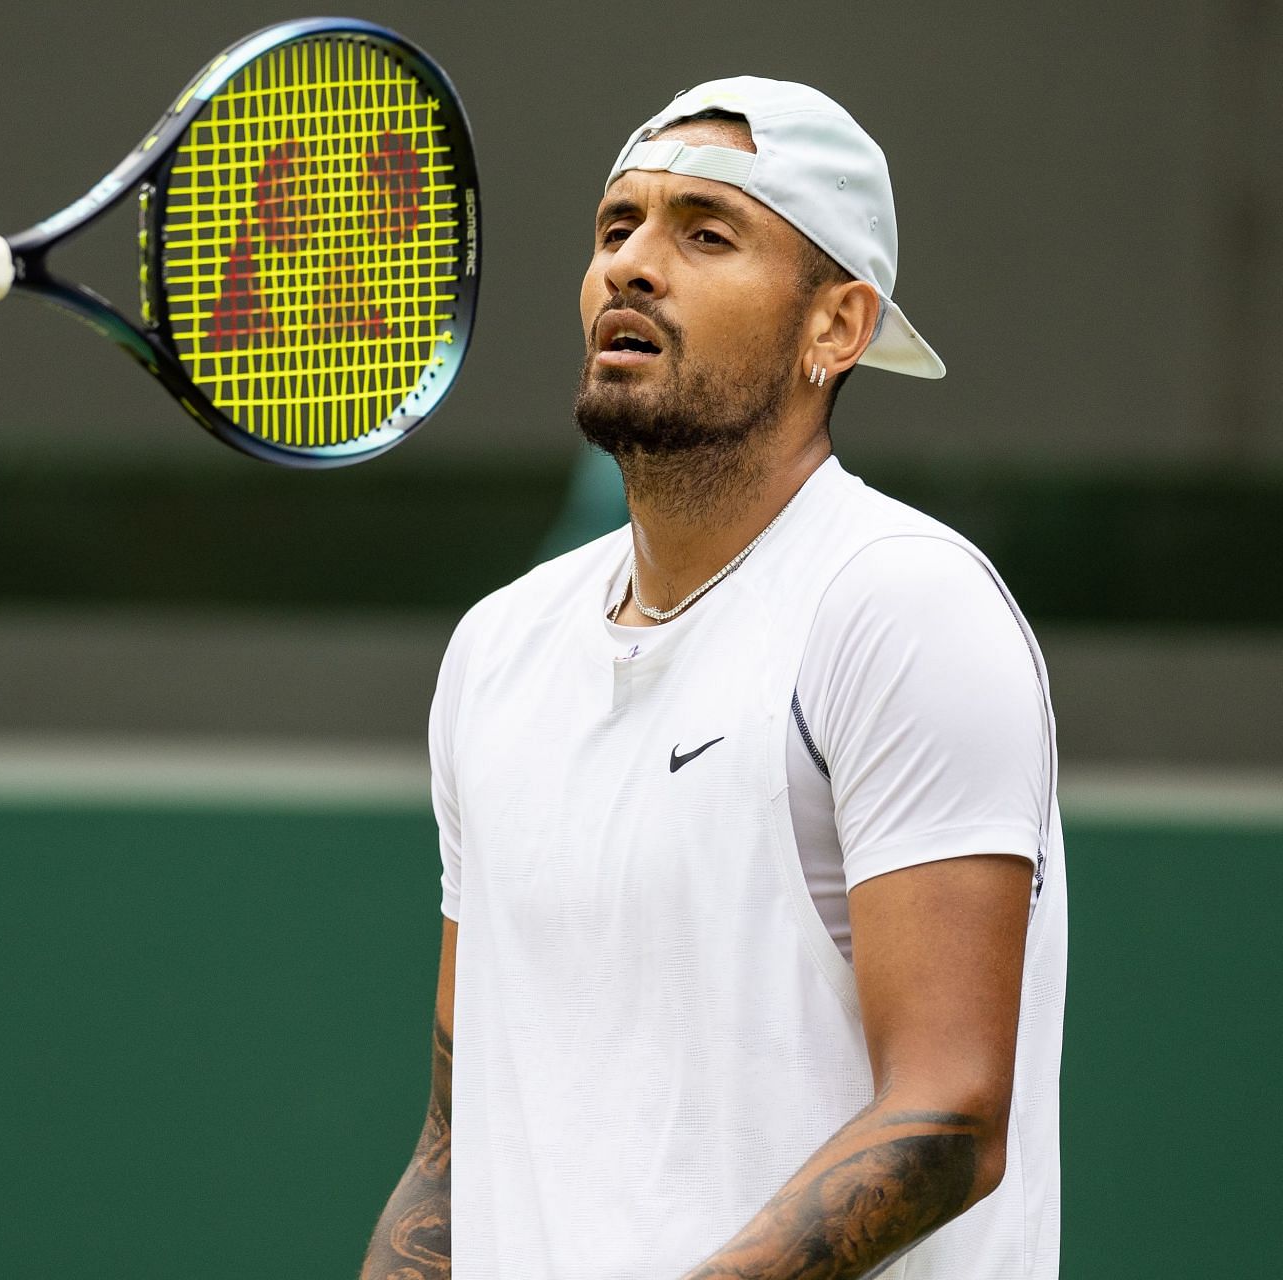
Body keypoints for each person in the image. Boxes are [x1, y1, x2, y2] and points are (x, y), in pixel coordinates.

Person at [360, 77, 1066, 1280]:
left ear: (836, 327)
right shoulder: (497, 647)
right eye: (615, 226)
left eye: (705, 232)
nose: (632, 265)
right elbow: (452, 1144)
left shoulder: (899, 604)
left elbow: (947, 1117)